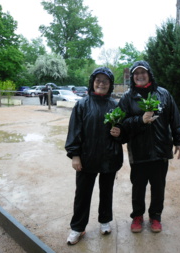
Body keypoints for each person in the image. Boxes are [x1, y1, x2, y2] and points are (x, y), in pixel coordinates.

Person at [118, 60, 180, 233]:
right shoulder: (128, 97)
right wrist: (140, 120)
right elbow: (122, 124)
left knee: (158, 187)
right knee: (138, 186)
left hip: (160, 150)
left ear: (149, 74)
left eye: (143, 72)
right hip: (139, 151)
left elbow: (175, 119)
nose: (139, 76)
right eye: (136, 73)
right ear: (133, 77)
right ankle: (137, 216)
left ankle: (155, 216)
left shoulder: (163, 94)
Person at [65, 67, 123, 245]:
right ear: (92, 82)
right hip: (86, 158)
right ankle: (78, 227)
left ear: (110, 85)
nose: (101, 84)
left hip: (109, 157)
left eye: (105, 81)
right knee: (82, 194)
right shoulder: (82, 104)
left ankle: (104, 220)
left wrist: (119, 132)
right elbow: (74, 131)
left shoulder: (115, 106)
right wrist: (75, 155)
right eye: (98, 80)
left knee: (107, 192)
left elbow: (125, 132)